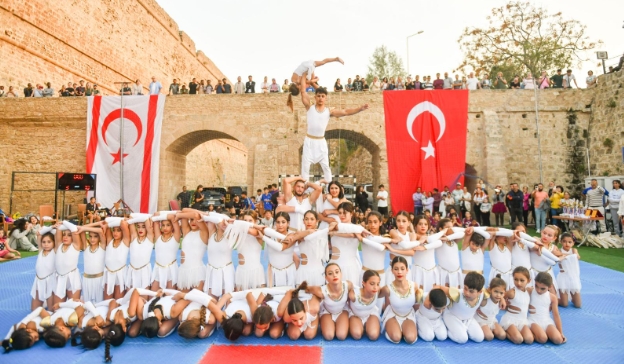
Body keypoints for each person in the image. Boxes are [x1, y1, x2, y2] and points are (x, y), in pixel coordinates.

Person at [298, 79, 368, 182]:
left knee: (326, 166)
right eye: (318, 96)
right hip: (309, 141)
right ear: (315, 97)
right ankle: (305, 190)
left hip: (321, 142)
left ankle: (329, 187)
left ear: (325, 98)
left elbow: (345, 112)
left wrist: (359, 109)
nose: (320, 98)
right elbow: (303, 92)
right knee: (305, 167)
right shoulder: (310, 108)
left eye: (323, 96)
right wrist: (304, 76)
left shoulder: (329, 111)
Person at [305, 263, 354, 341]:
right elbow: (307, 289)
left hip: (342, 311)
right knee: (329, 336)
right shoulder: (321, 290)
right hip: (327, 312)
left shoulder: (348, 284)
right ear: (326, 278)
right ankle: (320, 321)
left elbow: (354, 295)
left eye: (337, 272)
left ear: (341, 274)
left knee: (341, 336)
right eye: (330, 273)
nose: (334, 275)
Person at [379, 256, 419, 344]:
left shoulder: (414, 286)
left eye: (402, 268)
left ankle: (404, 329)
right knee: (396, 338)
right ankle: (391, 328)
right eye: (396, 269)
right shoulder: (387, 288)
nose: (399, 272)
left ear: (407, 270)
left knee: (410, 339)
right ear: (392, 271)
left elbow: (418, 302)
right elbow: (375, 295)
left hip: (408, 315)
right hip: (393, 315)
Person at [175, 210, 208, 291]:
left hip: (197, 272)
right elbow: (183, 210)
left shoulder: (204, 232)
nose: (193, 222)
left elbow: (196, 215)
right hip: (183, 272)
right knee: (182, 300)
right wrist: (180, 215)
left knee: (196, 302)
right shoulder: (186, 231)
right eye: (191, 219)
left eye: (196, 220)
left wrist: (203, 214)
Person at [499, 267, 534, 344]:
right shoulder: (512, 292)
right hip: (510, 320)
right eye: (516, 279)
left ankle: (516, 332)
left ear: (529, 280)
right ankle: (505, 332)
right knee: (518, 340)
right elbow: (499, 295)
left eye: (522, 280)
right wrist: (502, 300)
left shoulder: (529, 291)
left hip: (522, 321)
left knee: (529, 340)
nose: (518, 283)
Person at [529, 273, 565, 344]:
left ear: (550, 286)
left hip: (546, 321)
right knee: (543, 339)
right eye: (536, 286)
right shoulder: (530, 291)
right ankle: (532, 333)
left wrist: (560, 332)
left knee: (558, 340)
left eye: (542, 288)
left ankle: (544, 333)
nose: (538, 290)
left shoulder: (552, 297)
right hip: (533, 321)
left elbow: (556, 315)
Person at [150, 212, 181, 291]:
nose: (165, 228)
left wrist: (160, 217)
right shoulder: (158, 237)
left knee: (169, 299)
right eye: (163, 225)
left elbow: (171, 217)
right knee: (153, 297)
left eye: (168, 225)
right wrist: (157, 218)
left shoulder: (176, 236)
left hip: (171, 270)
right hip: (158, 270)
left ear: (172, 226)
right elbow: (156, 214)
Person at [102, 217, 130, 300]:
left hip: (120, 275)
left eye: (118, 230)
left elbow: (123, 223)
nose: (115, 233)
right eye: (114, 230)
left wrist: (123, 220)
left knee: (118, 303)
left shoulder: (125, 241)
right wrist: (107, 225)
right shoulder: (110, 241)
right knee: (107, 302)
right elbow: (106, 220)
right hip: (109, 275)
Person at [475, 275, 507, 341]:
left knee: (502, 336)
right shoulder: (485, 299)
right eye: (496, 291)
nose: (498, 295)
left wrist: (502, 299)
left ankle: (490, 330)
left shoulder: (500, 300)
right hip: (481, 321)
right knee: (489, 337)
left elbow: (501, 296)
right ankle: (483, 330)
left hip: (492, 321)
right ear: (490, 289)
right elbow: (481, 290)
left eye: (501, 293)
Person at [557, 233, 582, 308]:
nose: (567, 244)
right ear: (561, 242)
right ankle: (551, 299)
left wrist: (568, 255)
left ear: (573, 243)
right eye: (564, 241)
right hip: (563, 278)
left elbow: (577, 257)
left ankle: (573, 298)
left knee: (578, 305)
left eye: (569, 242)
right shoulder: (558, 251)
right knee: (564, 304)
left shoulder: (574, 250)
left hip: (573, 278)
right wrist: (569, 256)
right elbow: (558, 255)